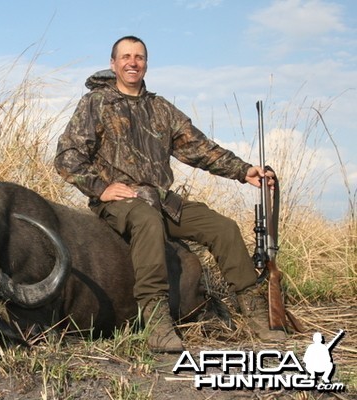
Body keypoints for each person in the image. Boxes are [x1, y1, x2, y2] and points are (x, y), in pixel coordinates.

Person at [54, 35, 285, 353]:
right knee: (147, 220)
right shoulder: (95, 103)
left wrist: (245, 172)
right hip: (121, 202)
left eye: (139, 57)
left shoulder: (160, 108)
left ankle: (258, 315)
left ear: (146, 64)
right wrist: (101, 188)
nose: (132, 62)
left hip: (161, 199)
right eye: (126, 57)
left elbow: (200, 148)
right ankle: (157, 321)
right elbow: (67, 156)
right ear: (113, 63)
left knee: (223, 228)